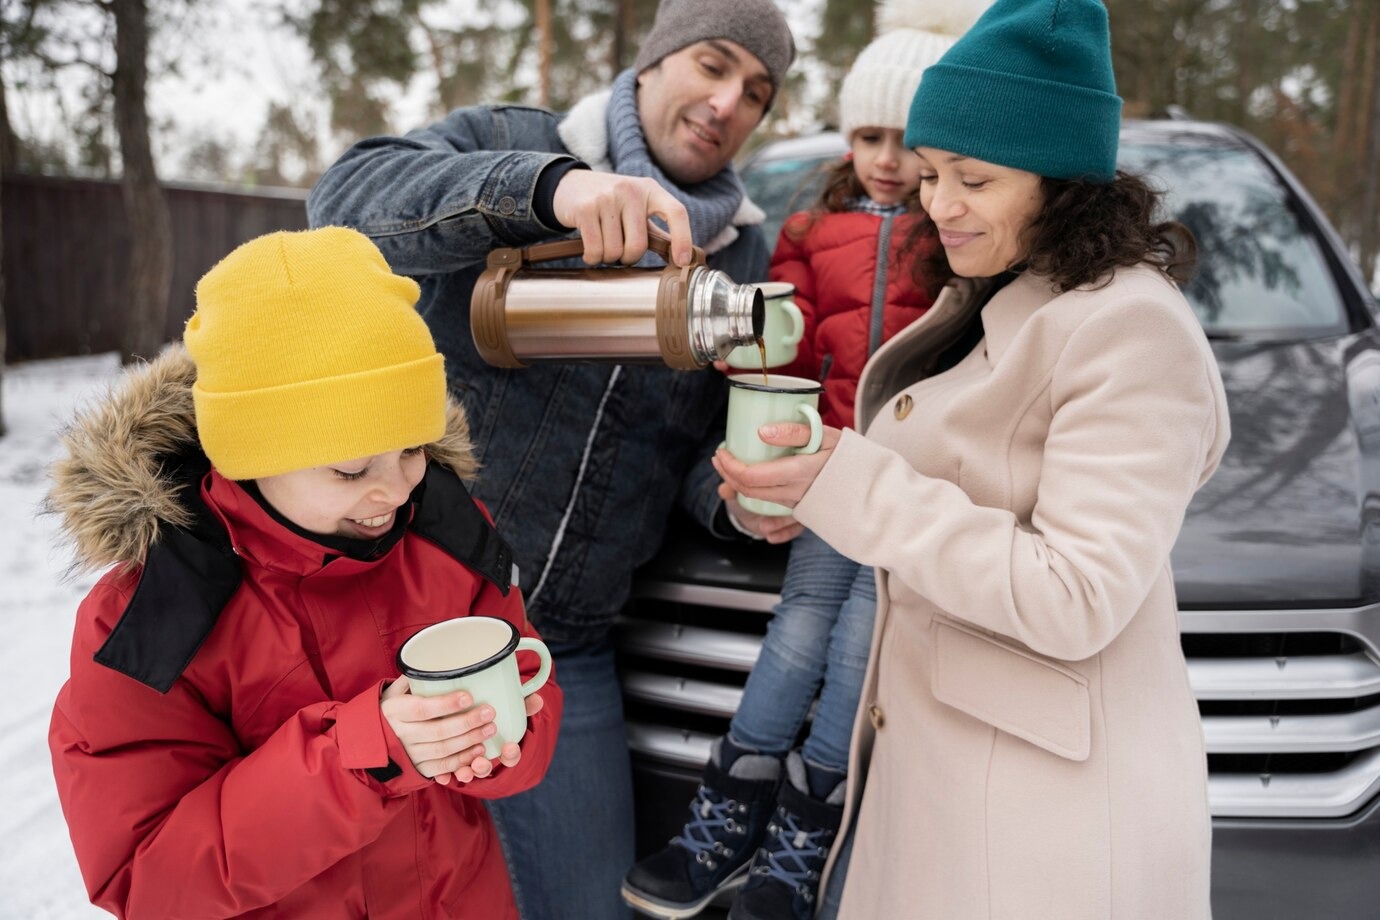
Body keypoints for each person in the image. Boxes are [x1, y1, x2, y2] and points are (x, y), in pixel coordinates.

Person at [712, 0, 1230, 917]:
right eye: (932, 172)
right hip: (948, 787)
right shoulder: (993, 292)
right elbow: (927, 502)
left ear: (1064, 183)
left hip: (1045, 840)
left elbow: (1074, 595)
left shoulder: (1130, 327)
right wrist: (804, 494)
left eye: (975, 180)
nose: (937, 204)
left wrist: (852, 484)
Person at [305, 3, 796, 917]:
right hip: (391, 619)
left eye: (757, 92)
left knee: (584, 905)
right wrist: (548, 192)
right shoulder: (512, 141)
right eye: (713, 64)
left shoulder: (744, 258)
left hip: (559, 648)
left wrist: (739, 498)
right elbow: (344, 204)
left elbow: (696, 454)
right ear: (651, 63)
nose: (729, 101)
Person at [47, 227, 562, 919]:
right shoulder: (152, 618)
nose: (396, 491)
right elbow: (145, 874)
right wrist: (363, 757)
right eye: (350, 468)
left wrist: (503, 741)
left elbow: (525, 684)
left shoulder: (444, 528)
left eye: (413, 447)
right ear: (249, 454)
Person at [621, 3, 992, 917]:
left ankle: (802, 840)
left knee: (864, 645)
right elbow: (777, 346)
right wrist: (753, 398)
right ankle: (723, 812)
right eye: (868, 135)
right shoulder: (807, 228)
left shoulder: (961, 242)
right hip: (826, 469)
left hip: (909, 485)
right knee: (800, 630)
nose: (887, 159)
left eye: (910, 142)